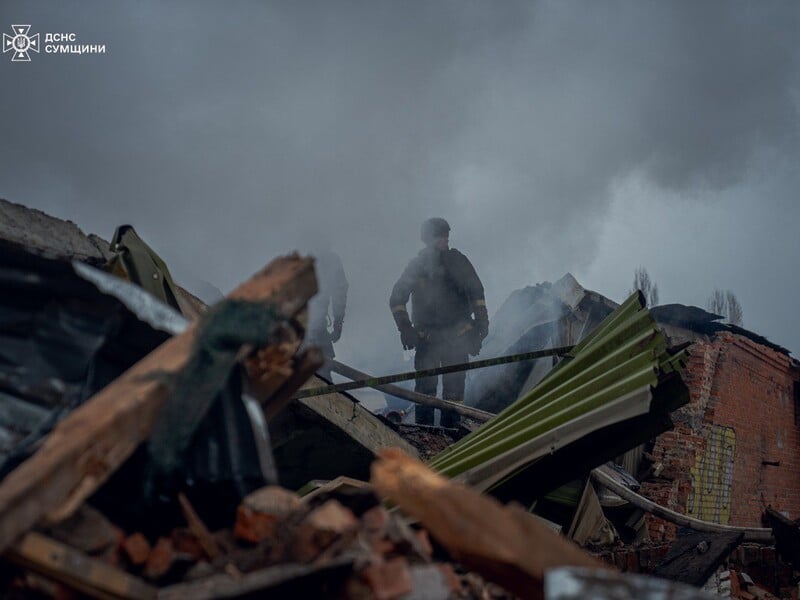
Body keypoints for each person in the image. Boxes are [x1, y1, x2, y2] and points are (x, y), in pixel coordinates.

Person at [389, 218, 488, 428]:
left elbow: (477, 294)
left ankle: (451, 435)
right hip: (428, 341)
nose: (443, 241)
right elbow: (397, 299)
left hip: (458, 339)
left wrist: (481, 328)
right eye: (438, 237)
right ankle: (424, 435)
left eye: (445, 236)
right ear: (427, 240)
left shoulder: (459, 261)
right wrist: (405, 327)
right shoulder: (417, 266)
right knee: (425, 393)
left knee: (454, 396)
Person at [306, 248, 348, 380]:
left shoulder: (328, 259)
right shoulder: (329, 258)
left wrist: (338, 323)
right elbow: (339, 292)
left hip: (312, 332)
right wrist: (337, 324)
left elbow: (339, 291)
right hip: (305, 333)